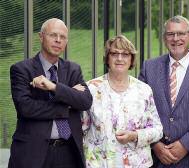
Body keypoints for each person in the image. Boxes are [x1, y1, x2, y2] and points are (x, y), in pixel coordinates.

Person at [9, 18, 92, 168]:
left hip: (69, 152)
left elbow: (85, 101)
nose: (58, 40)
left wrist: (54, 87)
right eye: (53, 35)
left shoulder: (73, 69)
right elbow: (26, 108)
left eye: (63, 37)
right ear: (41, 37)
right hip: (33, 153)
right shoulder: (21, 69)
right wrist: (66, 105)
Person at [139, 15, 189, 167]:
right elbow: (140, 109)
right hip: (157, 158)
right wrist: (155, 144)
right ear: (164, 38)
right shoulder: (149, 67)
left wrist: (185, 145)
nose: (175, 38)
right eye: (170, 34)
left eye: (181, 33)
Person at [81, 35, 163, 168]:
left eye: (125, 54)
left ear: (131, 59)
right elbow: (80, 128)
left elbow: (158, 129)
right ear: (107, 58)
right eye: (114, 54)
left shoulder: (144, 90)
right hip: (98, 164)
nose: (119, 58)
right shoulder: (91, 88)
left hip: (137, 164)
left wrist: (135, 135)